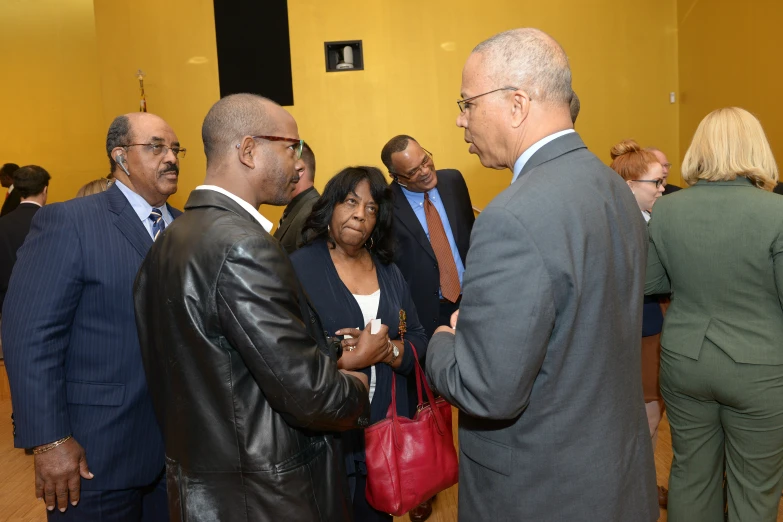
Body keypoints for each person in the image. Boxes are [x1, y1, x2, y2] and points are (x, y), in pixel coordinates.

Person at [425, 28, 658, 521]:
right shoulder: (614, 188)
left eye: (467, 103)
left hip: (542, 491)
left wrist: (445, 340)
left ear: (516, 104)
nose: (460, 119)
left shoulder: (512, 216)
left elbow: (486, 390)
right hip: (612, 472)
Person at [133, 93, 370, 522]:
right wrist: (356, 384)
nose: (299, 164)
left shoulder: (170, 238)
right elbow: (311, 396)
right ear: (247, 150)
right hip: (265, 497)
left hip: (209, 493)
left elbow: (224, 362)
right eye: (290, 147)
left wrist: (326, 352)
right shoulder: (243, 246)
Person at [3, 112, 183, 520]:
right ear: (120, 156)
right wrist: (50, 441)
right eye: (156, 146)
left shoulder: (188, 228)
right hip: (95, 455)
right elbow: (30, 337)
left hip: (178, 456)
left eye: (175, 148)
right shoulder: (70, 222)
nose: (171, 157)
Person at [645, 107, 783, 522]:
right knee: (754, 486)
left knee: (691, 475)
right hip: (760, 367)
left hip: (686, 361)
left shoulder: (667, 208)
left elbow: (651, 283)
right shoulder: (776, 212)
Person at [290, 166, 429, 522]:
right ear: (330, 207)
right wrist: (348, 358)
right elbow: (286, 358)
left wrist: (389, 352)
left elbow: (417, 337)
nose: (360, 215)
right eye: (351, 202)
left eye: (371, 209)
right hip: (327, 439)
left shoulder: (388, 269)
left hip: (384, 434)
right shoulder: (297, 269)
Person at [380, 135, 474, 521]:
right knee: (426, 397)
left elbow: (469, 236)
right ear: (396, 177)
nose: (425, 172)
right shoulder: (386, 204)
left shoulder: (452, 181)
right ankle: (426, 481)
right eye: (413, 171)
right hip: (422, 309)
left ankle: (477, 466)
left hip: (470, 300)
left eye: (426, 161)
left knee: (476, 384)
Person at [609, 139, 669, 507]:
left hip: (651, 328)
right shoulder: (621, 226)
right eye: (656, 184)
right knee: (644, 420)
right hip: (640, 333)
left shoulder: (646, 218)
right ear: (630, 185)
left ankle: (641, 489)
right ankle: (637, 496)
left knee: (649, 419)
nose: (663, 190)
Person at [0, 165, 50, 310]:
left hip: (7, 302)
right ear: (45, 190)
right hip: (44, 301)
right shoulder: (55, 221)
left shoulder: (3, 223)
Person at [273, 141, 319, 253]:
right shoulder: (299, 207)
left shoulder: (313, 214)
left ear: (299, 170)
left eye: (281, 167)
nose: (275, 174)